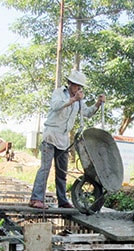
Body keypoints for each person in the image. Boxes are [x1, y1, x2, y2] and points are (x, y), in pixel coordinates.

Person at [29, 70, 106, 209]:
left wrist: (97, 104)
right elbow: (55, 106)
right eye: (76, 85)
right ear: (70, 83)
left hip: (64, 139)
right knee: (45, 169)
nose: (78, 88)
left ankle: (62, 200)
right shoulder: (59, 93)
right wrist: (72, 100)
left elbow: (87, 113)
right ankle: (36, 199)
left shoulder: (79, 100)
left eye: (80, 86)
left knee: (62, 172)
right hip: (51, 135)